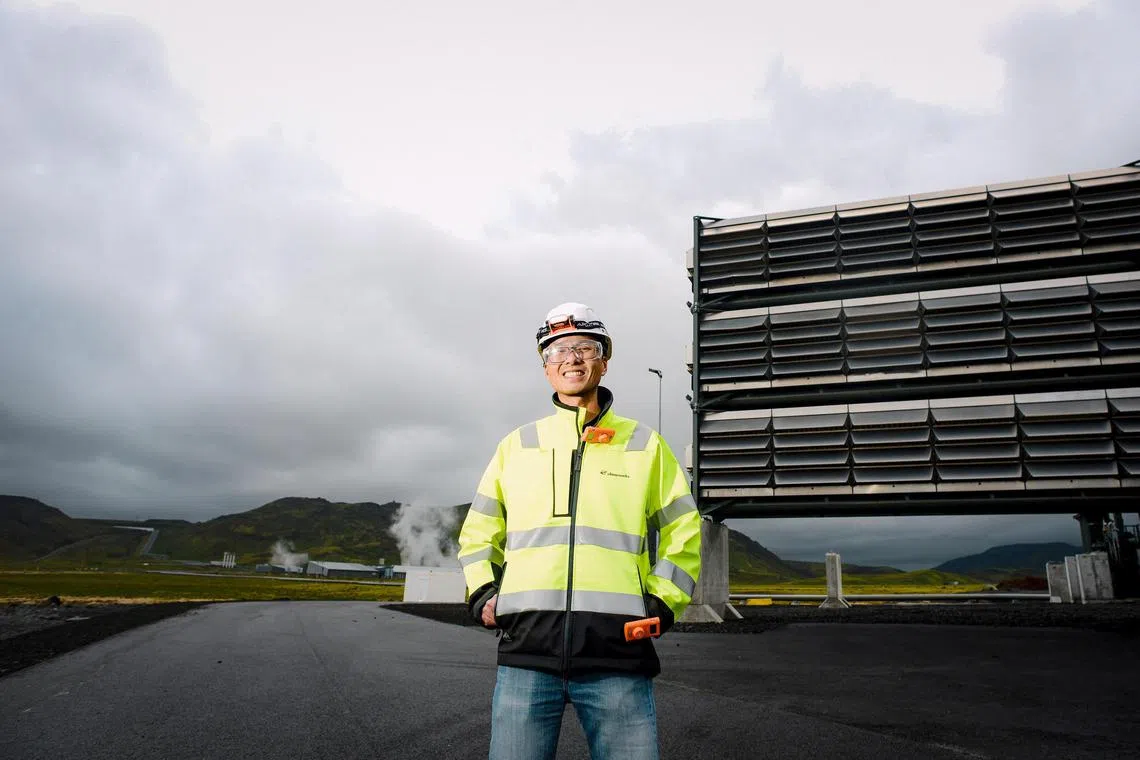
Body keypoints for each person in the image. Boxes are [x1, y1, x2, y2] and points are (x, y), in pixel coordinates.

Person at [457, 302, 702, 760]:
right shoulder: (517, 446)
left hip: (618, 657)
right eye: (557, 351)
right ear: (546, 369)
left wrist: (663, 601)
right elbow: (479, 532)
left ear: (603, 361)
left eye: (584, 347)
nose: (571, 358)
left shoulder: (645, 446)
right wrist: (483, 592)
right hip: (527, 653)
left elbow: (683, 531)